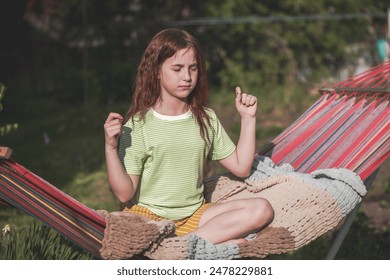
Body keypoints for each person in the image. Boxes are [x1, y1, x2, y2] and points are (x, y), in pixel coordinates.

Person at [104, 29, 273, 245]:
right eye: (177, 69)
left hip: (196, 216)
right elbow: (125, 194)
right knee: (115, 221)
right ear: (156, 71)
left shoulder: (206, 118)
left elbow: (241, 167)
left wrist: (248, 119)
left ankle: (177, 246)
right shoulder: (137, 126)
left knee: (261, 209)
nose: (187, 77)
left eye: (193, 68)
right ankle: (200, 242)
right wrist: (110, 148)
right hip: (148, 219)